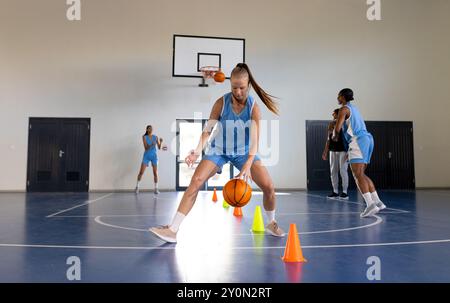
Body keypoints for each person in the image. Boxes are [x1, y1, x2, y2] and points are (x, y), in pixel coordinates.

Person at [149, 63, 285, 243]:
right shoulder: (221, 103)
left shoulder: (254, 108)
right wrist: (197, 152)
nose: (237, 92)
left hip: (245, 152)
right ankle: (173, 230)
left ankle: (271, 222)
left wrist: (247, 166)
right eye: (234, 87)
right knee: (195, 181)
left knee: (269, 187)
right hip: (219, 150)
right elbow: (207, 131)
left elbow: (254, 141)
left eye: (241, 88)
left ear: (248, 85)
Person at [332, 88, 386, 218]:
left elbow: (337, 129)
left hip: (358, 140)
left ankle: (370, 205)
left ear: (343, 97)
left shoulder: (344, 109)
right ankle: (377, 202)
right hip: (367, 139)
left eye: (338, 96)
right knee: (362, 174)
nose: (337, 98)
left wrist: (333, 135)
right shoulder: (354, 108)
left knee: (357, 175)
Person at [322, 108, 349, 199]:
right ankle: (335, 191)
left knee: (343, 171)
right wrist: (325, 151)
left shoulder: (345, 124)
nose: (332, 115)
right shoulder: (331, 124)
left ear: (339, 114)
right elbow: (328, 139)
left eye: (334, 114)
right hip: (332, 151)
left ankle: (345, 192)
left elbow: (350, 139)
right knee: (333, 171)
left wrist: (350, 151)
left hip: (343, 150)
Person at [135, 125, 164, 194]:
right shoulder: (144, 137)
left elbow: (159, 147)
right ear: (147, 130)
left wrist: (161, 141)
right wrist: (152, 144)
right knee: (141, 172)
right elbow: (146, 148)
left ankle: (156, 189)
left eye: (151, 129)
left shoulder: (155, 137)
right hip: (146, 156)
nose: (150, 130)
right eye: (149, 129)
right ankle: (137, 187)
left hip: (154, 156)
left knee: (155, 173)